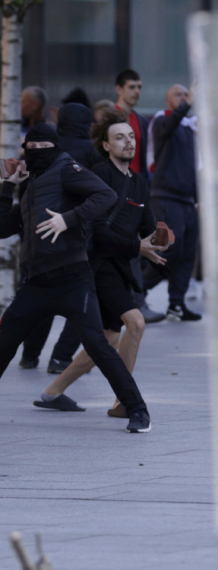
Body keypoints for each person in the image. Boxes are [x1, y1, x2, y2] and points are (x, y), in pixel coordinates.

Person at [0, 123, 152, 433]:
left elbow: (105, 195)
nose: (40, 153)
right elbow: (3, 227)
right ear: (26, 151)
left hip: (73, 278)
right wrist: (6, 187)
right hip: (37, 283)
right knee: (4, 342)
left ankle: (138, 411)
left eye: (46, 147)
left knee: (98, 344)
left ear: (55, 148)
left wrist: (68, 220)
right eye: (34, 149)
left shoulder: (66, 168)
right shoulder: (32, 185)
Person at [35, 111, 167, 419]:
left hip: (119, 268)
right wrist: (138, 247)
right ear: (105, 145)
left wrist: (160, 241)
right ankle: (124, 402)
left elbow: (146, 227)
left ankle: (52, 392)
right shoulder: (98, 175)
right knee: (135, 323)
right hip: (96, 265)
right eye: (119, 137)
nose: (128, 142)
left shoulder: (138, 184)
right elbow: (99, 231)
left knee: (108, 339)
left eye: (131, 136)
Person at [19, 102, 105, 373]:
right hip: (76, 240)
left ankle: (30, 356)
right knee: (81, 310)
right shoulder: (84, 152)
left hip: (37, 242)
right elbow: (102, 193)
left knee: (40, 307)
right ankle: (60, 358)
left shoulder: (44, 149)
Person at [142, 84, 201, 321]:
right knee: (171, 248)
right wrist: (188, 104)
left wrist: (199, 199)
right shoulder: (162, 121)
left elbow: (195, 168)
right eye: (178, 94)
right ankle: (138, 288)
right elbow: (172, 122)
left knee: (187, 253)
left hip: (187, 200)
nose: (184, 98)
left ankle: (176, 304)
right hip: (165, 195)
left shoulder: (190, 129)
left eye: (186, 94)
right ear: (168, 101)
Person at [115, 69, 164, 324]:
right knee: (127, 248)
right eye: (132, 87)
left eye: (140, 87)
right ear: (119, 89)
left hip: (135, 190)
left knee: (139, 245)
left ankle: (137, 300)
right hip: (114, 193)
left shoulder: (141, 120)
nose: (137, 92)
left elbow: (142, 159)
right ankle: (132, 302)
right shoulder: (112, 117)